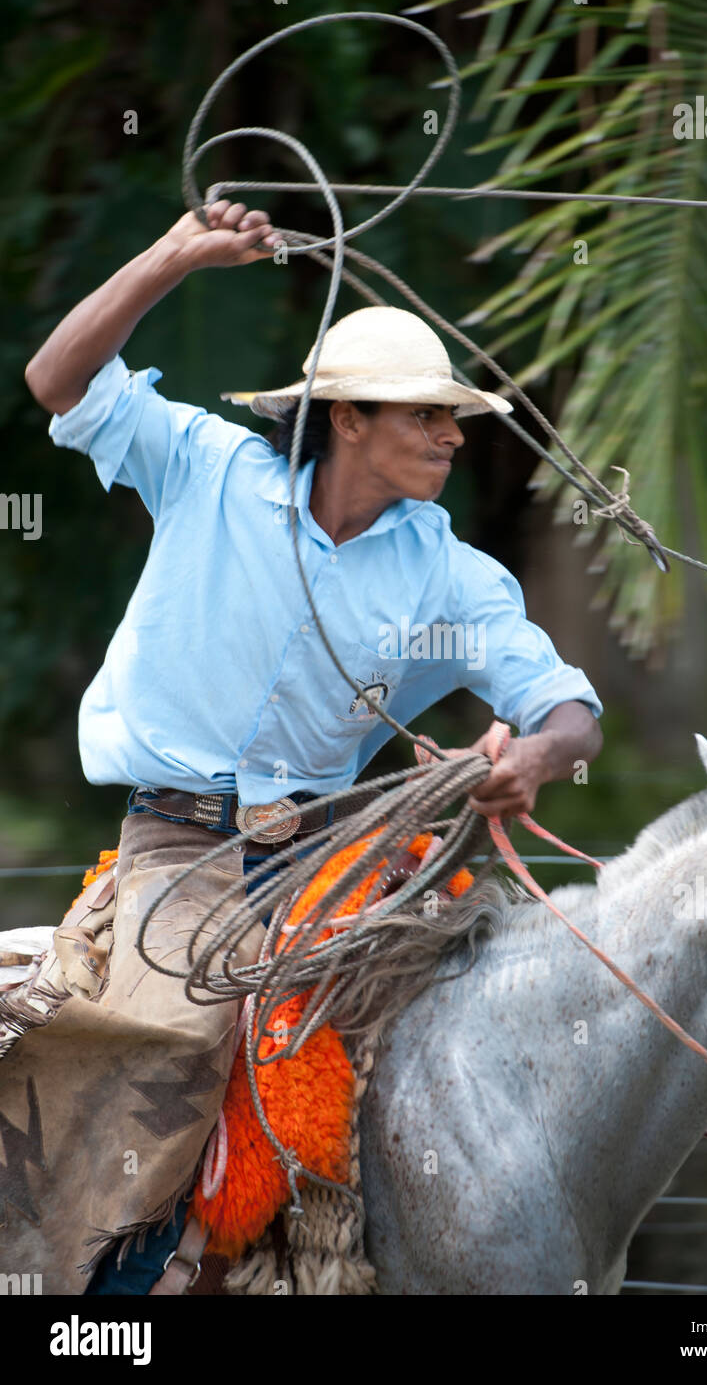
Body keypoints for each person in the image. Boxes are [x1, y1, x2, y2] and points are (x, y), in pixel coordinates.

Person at [19, 198, 604, 1293]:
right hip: (178, 847)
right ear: (344, 418)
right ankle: (107, 1295)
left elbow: (564, 704)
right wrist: (176, 251)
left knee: (470, 1012)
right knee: (183, 1040)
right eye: (424, 416)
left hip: (324, 857)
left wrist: (538, 754)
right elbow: (57, 380)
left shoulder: (449, 574)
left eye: (450, 418)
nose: (450, 435)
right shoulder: (207, 467)